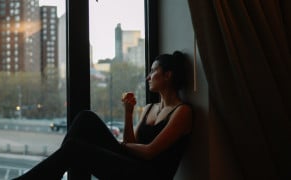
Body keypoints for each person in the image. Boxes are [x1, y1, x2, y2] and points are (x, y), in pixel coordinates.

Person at [13, 51, 193, 180]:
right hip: (133, 165)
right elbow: (132, 143)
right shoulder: (149, 108)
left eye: (153, 71)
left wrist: (121, 146)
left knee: (75, 147)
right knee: (86, 118)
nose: (148, 77)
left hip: (148, 176)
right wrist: (128, 113)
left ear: (168, 75)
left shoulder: (182, 111)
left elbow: (149, 152)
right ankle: (55, 173)